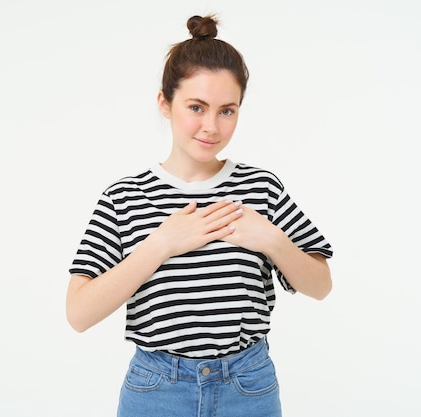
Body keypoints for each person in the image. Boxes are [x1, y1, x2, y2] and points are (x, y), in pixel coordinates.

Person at [66, 14, 333, 417]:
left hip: (249, 386)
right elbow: (78, 313)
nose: (211, 126)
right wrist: (160, 245)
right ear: (164, 103)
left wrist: (273, 241)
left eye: (227, 111)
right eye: (196, 107)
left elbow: (321, 285)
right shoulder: (124, 197)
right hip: (157, 391)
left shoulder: (261, 189)